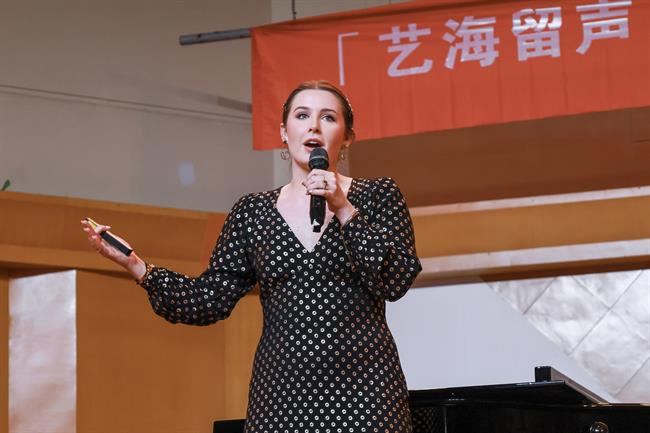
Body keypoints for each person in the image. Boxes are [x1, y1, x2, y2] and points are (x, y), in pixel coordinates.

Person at [81, 80, 422, 433]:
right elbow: (209, 299)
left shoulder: (378, 195)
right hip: (281, 395)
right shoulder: (253, 212)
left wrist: (344, 208)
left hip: (365, 391)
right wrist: (135, 265)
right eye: (302, 115)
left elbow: (395, 279)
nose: (313, 127)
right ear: (284, 132)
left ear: (348, 136)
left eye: (328, 117)